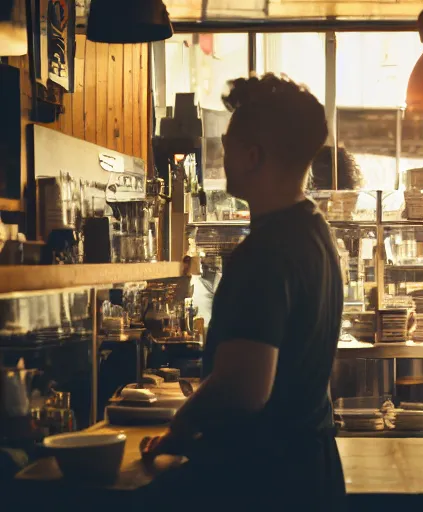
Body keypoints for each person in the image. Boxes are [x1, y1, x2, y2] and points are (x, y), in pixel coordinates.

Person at [141, 74, 346, 509]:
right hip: (311, 472)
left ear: (252, 156)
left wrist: (181, 424)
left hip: (264, 483)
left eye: (227, 145)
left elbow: (245, 387)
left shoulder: (266, 253)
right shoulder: (316, 232)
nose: (222, 156)